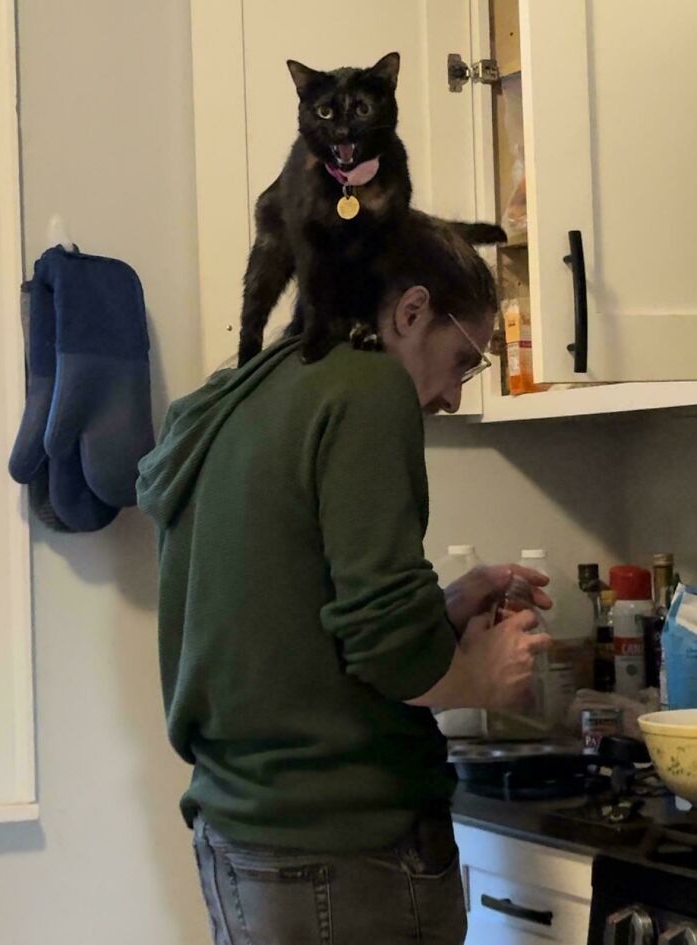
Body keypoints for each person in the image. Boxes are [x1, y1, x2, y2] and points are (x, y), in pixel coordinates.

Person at [137, 213, 552, 945]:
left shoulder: (241, 395)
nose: (455, 395)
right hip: (345, 852)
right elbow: (390, 650)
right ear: (411, 310)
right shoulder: (367, 386)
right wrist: (480, 680)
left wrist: (446, 607)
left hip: (244, 843)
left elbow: (288, 618)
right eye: (462, 359)